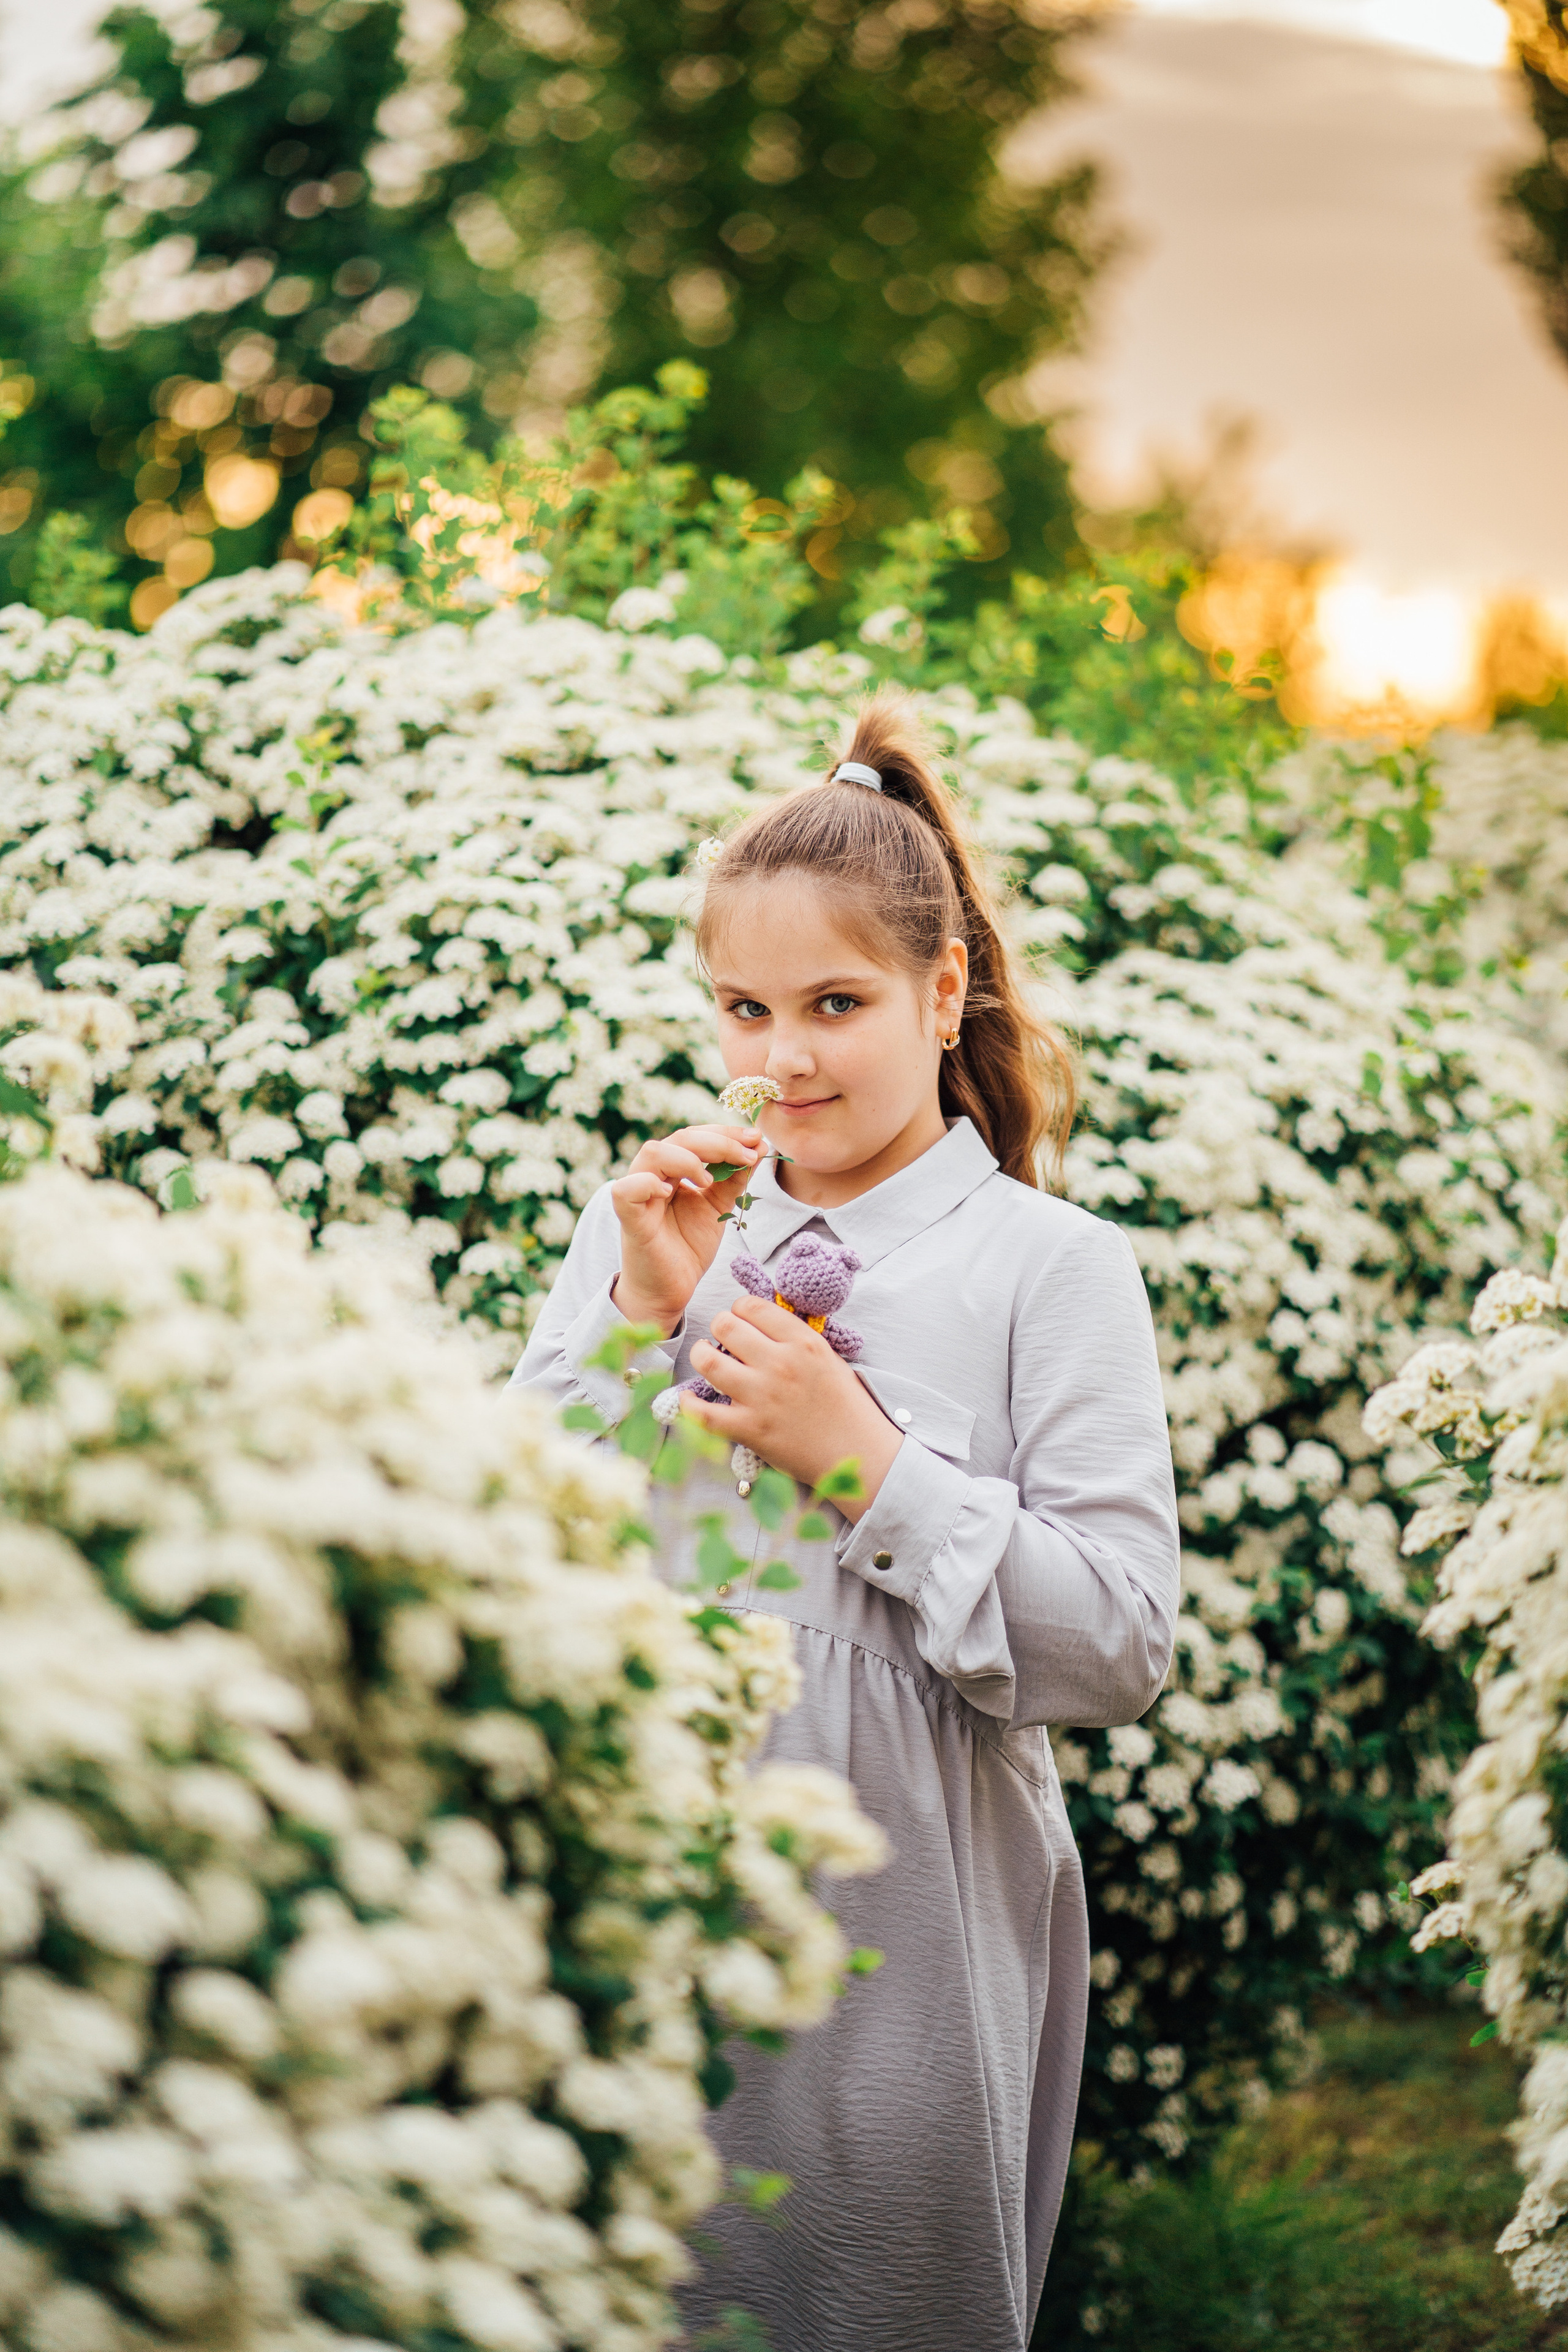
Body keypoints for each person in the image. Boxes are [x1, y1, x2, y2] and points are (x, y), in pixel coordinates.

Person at [510, 692, 1180, 2352]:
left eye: (835, 1001)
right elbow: (506, 1532)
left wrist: (868, 1466)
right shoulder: (649, 1228)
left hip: (913, 1906)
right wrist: (636, 1323)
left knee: (880, 2294)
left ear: (944, 993)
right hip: (651, 1875)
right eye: (743, 1006)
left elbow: (1120, 1638)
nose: (781, 1055)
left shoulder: (1052, 1269)